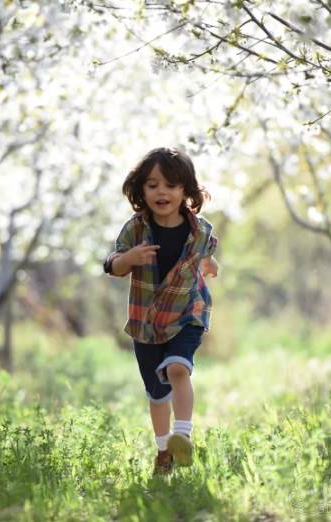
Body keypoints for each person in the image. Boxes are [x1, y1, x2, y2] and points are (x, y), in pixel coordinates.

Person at [103, 147, 218, 475]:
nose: (161, 192)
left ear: (186, 191)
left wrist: (210, 265)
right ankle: (164, 450)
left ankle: (182, 435)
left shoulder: (200, 230)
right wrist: (128, 259)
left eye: (170, 185)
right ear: (141, 191)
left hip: (188, 312)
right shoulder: (136, 229)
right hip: (148, 322)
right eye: (152, 185)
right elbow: (112, 262)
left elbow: (205, 253)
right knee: (157, 393)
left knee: (178, 369)